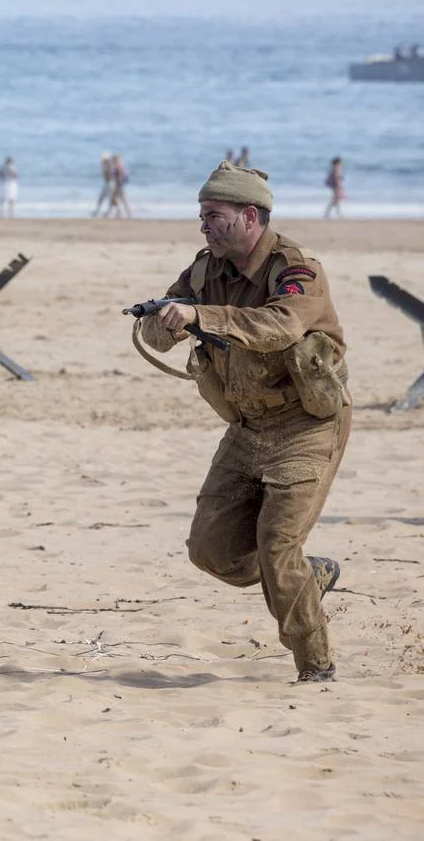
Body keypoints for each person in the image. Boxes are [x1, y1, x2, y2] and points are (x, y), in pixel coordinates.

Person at [138, 160, 349, 684]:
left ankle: (315, 667)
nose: (203, 225)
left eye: (213, 215)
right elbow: (164, 324)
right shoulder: (205, 268)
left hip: (306, 426)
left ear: (249, 216)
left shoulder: (297, 268)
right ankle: (307, 577)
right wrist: (163, 322)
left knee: (278, 547)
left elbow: (282, 325)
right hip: (246, 427)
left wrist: (200, 317)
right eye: (201, 215)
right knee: (211, 551)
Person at [105, 153, 132, 218]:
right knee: (116, 200)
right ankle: (119, 213)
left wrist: (119, 184)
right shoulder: (117, 166)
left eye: (114, 160)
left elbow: (120, 176)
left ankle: (125, 213)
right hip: (118, 186)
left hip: (119, 186)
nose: (113, 161)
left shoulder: (119, 166)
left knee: (121, 200)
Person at [92, 152, 114, 217]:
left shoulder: (109, 165)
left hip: (109, 183)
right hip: (108, 183)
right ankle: (99, 211)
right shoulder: (107, 165)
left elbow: (110, 175)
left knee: (108, 198)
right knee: (105, 198)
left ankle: (105, 212)